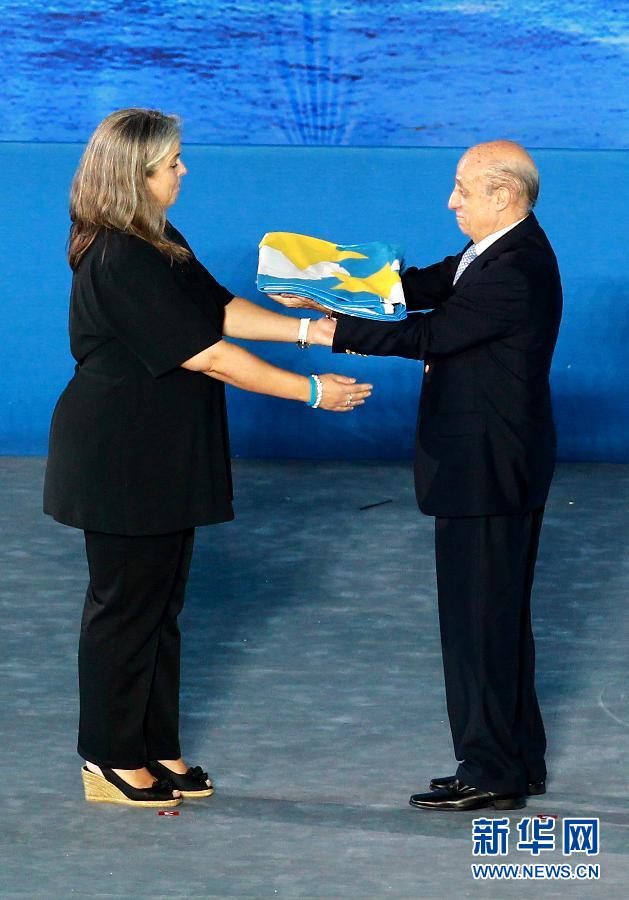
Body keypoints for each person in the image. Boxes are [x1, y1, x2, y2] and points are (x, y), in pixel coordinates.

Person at [43, 108, 372, 808]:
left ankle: (153, 744)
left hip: (161, 451)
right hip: (120, 458)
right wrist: (310, 392)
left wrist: (315, 331)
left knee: (160, 605)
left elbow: (216, 311)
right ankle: (108, 758)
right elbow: (210, 354)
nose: (183, 170)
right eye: (172, 163)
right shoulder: (120, 255)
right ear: (137, 176)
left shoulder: (155, 238)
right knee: (125, 607)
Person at [272, 140, 562, 811]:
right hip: (495, 462)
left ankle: (489, 770)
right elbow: (420, 286)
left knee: (477, 621)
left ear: (502, 193)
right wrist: (327, 288)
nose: (450, 200)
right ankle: (516, 757)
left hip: (485, 468)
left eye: (462, 188)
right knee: (497, 617)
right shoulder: (494, 252)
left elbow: (429, 334)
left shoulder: (512, 268)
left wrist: (324, 332)